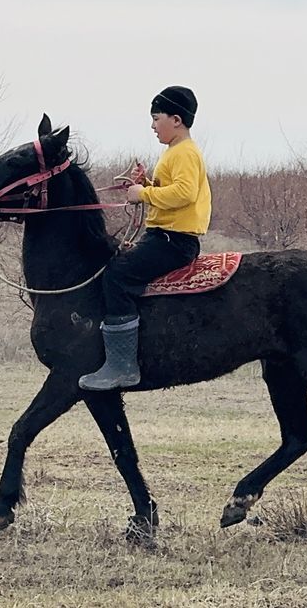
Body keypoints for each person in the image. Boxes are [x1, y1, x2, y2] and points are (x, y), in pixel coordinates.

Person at [79, 86, 211, 391]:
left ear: (176, 119)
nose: (152, 126)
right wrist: (148, 184)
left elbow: (184, 193)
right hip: (166, 237)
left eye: (156, 118)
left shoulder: (185, 152)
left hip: (174, 240)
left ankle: (122, 366)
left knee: (117, 276)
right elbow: (172, 191)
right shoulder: (175, 152)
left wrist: (144, 193)